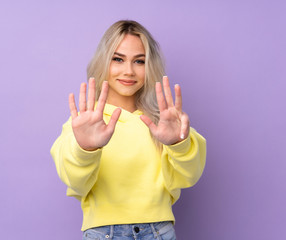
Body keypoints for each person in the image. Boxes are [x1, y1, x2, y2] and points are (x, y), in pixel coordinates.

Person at [50, 20, 206, 240]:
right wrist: (86, 148)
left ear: (149, 66)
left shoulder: (164, 121)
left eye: (139, 61)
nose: (129, 71)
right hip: (104, 233)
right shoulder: (85, 121)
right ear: (103, 62)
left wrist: (178, 143)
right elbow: (74, 180)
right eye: (118, 59)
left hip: (159, 232)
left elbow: (188, 176)